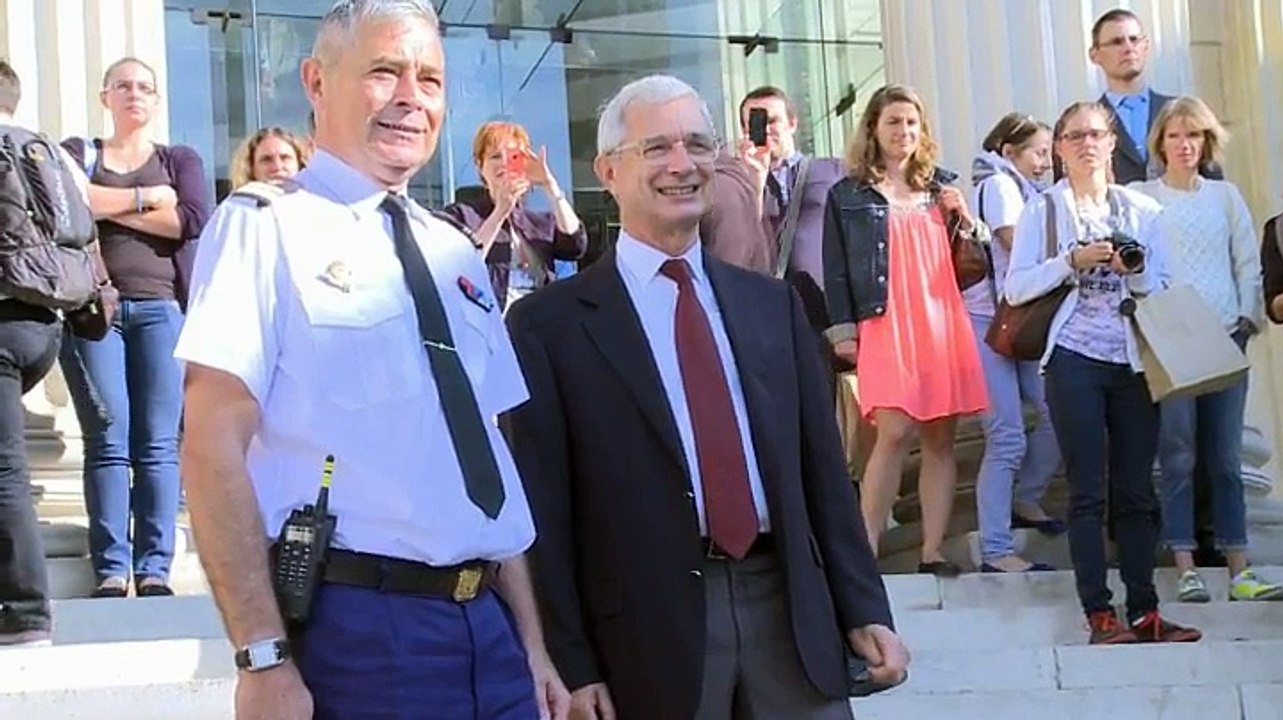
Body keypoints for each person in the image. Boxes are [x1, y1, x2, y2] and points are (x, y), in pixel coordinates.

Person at [175, 2, 568, 718]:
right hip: (360, 630)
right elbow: (209, 444)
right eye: (384, 72)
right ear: (316, 83)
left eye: (430, 79)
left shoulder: (456, 253)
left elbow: (487, 470)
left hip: (490, 631)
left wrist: (534, 649)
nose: (411, 98)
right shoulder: (264, 226)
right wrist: (261, 655)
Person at [505, 74, 906, 720]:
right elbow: (543, 513)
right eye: (656, 148)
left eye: (697, 144)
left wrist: (862, 606)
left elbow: (822, 474)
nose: (682, 165)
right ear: (607, 171)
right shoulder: (548, 326)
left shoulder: (770, 305)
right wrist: (571, 661)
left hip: (788, 617)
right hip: (644, 639)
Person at [1006, 100, 1201, 644]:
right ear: (1061, 148)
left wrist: (1127, 271)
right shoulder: (1044, 211)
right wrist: (1073, 261)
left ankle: (1145, 611)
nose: (1087, 144)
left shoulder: (1143, 211)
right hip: (1072, 358)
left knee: (1138, 490)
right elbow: (1015, 288)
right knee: (1089, 491)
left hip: (1134, 361)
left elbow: (1157, 286)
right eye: (1074, 137)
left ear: (1112, 143)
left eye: (1096, 135)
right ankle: (1099, 613)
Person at [58, 56, 210, 599]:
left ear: (156, 100)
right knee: (108, 439)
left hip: (160, 309)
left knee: (158, 443)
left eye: (145, 87)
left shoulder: (179, 158)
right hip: (93, 311)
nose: (134, 95)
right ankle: (111, 566)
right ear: (106, 97)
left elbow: (190, 219)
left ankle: (153, 567)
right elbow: (68, 204)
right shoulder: (79, 153)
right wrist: (148, 200)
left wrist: (105, 206)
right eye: (123, 86)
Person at [822, 83, 989, 575]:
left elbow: (976, 261)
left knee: (940, 438)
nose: (904, 131)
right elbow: (834, 268)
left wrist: (966, 219)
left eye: (912, 122)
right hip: (884, 320)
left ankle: (932, 550)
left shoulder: (941, 188)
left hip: (940, 320)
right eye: (894, 122)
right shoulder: (848, 193)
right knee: (892, 432)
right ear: (873, 127)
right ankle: (864, 548)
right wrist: (842, 330)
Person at [1131, 96, 1282, 602]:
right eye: (1175, 135)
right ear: (1160, 143)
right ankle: (1184, 561)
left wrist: (1246, 317)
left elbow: (1246, 260)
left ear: (1206, 142)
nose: (1184, 145)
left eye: (1193, 135)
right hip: (1173, 337)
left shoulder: (1225, 197)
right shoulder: (1142, 197)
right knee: (1177, 451)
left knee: (1225, 455)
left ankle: (1239, 567)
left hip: (1226, 334)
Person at [0, 60, 88, 647]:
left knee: (5, 468)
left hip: (3, 314)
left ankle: (26, 613)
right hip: (46, 323)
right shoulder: (50, 154)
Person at [967, 113, 1063, 573]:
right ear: (1009, 151)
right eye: (1038, 152)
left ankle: (1026, 498)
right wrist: (1070, 255)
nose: (1046, 162)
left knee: (1053, 416)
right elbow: (1012, 241)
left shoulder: (1031, 191)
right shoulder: (1001, 187)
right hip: (988, 321)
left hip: (1020, 321)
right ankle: (996, 549)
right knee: (1005, 433)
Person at [442, 121, 586, 312]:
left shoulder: (540, 223)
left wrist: (550, 186)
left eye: (514, 157)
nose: (504, 163)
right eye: (495, 156)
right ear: (479, 165)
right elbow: (461, 266)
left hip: (539, 327)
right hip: (490, 323)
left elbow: (575, 246)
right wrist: (500, 211)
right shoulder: (460, 215)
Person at [1087, 8, 1223, 186]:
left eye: (1134, 39)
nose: (1128, 48)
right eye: (1117, 42)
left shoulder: (1179, 112)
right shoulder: (1087, 125)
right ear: (1094, 55)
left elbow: (1211, 174)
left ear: (1145, 47)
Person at [230, 126, 311, 189]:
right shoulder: (236, 208)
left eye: (285, 158)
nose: (277, 167)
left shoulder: (317, 206)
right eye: (266, 159)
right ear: (251, 168)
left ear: (300, 163)